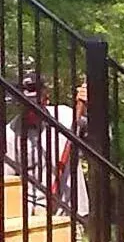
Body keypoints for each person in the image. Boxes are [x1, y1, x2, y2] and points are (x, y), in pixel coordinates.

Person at [3, 72, 89, 217]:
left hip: (71, 210)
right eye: (24, 104)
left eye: (35, 103)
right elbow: (9, 183)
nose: (29, 109)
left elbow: (100, 141)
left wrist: (90, 107)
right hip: (35, 214)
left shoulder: (67, 117)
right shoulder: (10, 134)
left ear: (46, 99)